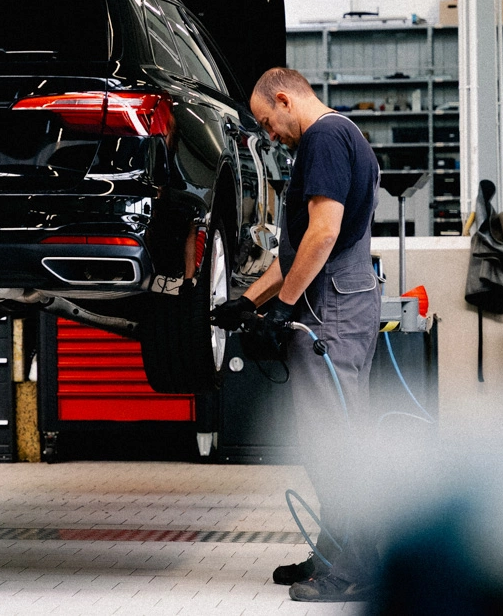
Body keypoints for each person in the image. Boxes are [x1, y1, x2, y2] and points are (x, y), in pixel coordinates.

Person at [212, 66, 381, 603]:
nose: (270, 135)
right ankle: (335, 553)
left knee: (333, 440)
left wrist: (283, 312)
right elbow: (298, 253)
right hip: (336, 297)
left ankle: (356, 568)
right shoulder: (342, 132)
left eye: (267, 122)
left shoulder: (324, 138)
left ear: (284, 99)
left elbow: (324, 233)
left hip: (330, 307)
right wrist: (247, 302)